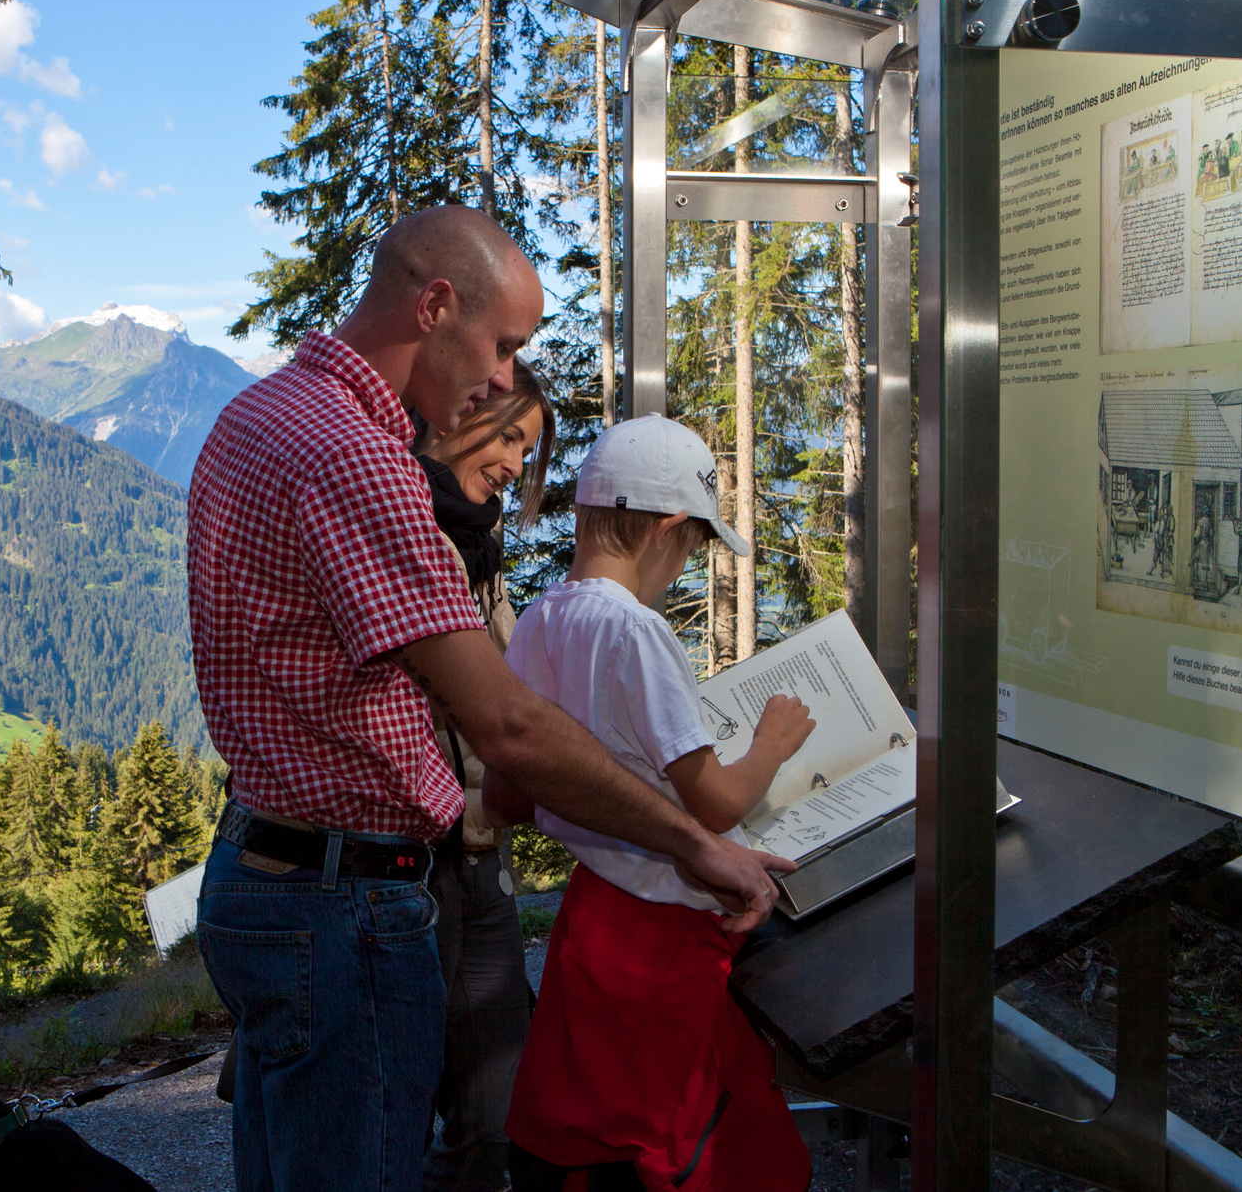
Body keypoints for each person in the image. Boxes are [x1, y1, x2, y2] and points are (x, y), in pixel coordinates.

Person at [186, 205, 792, 1192]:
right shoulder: (354, 455)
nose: (506, 379)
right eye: (503, 344)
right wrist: (694, 841)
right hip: (342, 900)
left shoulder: (256, 414)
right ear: (435, 305)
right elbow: (506, 722)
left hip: (262, 864)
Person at [494, 415, 818, 1192]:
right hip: (668, 931)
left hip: (593, 918)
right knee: (674, 1129)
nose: (684, 568)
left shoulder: (540, 619)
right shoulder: (637, 632)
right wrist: (772, 743)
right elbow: (715, 802)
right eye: (694, 547)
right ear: (668, 528)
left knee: (593, 1118)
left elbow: (508, 792)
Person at [414, 360, 555, 1191]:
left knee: (494, 1112)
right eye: (508, 436)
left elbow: (507, 682)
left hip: (477, 848)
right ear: (459, 412)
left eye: (527, 449)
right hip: (416, 857)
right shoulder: (408, 528)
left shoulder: (476, 540)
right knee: (403, 1105)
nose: (514, 463)